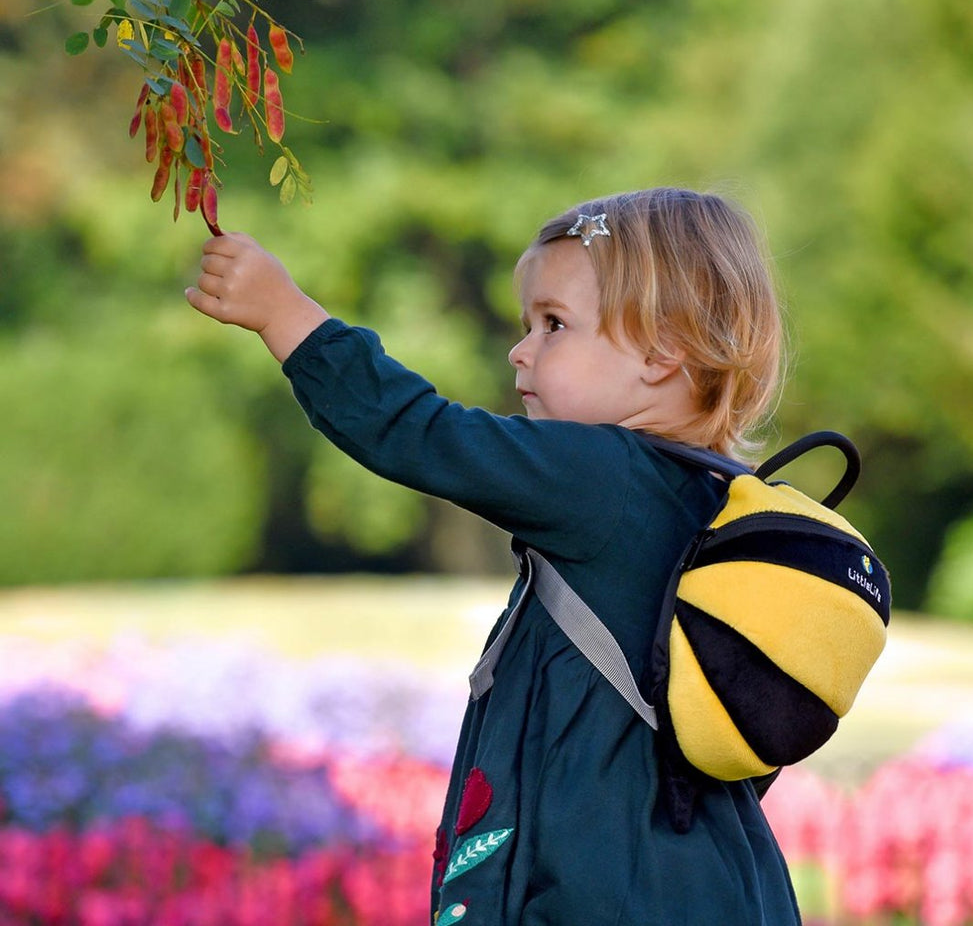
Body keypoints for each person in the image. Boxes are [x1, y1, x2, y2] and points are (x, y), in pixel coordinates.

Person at [185, 187, 800, 925]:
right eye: (526, 324)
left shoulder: (602, 479)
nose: (521, 349)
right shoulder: (713, 498)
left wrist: (285, 315)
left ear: (663, 351)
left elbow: (422, 433)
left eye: (553, 324)